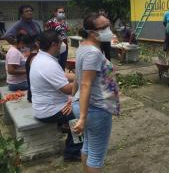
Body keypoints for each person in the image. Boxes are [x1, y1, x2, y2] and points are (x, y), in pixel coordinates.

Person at [72, 13, 120, 172]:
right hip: (95, 108)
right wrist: (83, 117)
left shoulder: (83, 46)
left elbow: (77, 78)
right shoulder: (93, 53)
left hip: (85, 105)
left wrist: (72, 98)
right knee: (96, 155)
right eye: (104, 27)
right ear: (92, 32)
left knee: (88, 146)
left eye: (109, 25)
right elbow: (85, 83)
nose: (109, 29)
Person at [30, 30, 82, 161]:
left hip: (49, 104)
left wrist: (80, 76)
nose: (63, 45)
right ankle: (73, 152)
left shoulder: (42, 58)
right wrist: (85, 82)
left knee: (76, 104)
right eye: (61, 42)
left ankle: (68, 129)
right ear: (54, 44)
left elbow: (62, 76)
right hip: (49, 110)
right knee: (82, 114)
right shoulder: (47, 64)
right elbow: (67, 89)